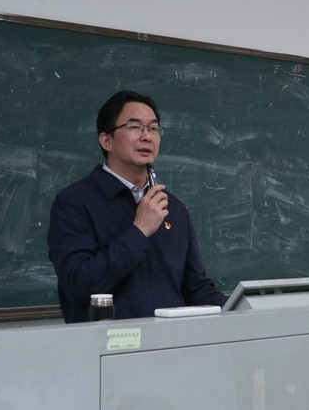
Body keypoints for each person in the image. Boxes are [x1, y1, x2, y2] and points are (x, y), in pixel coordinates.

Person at [47, 90, 227, 323]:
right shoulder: (74, 203)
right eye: (134, 127)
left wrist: (243, 310)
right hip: (111, 341)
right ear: (106, 140)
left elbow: (195, 288)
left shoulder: (172, 208)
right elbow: (78, 284)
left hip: (172, 339)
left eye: (153, 128)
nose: (147, 136)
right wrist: (139, 230)